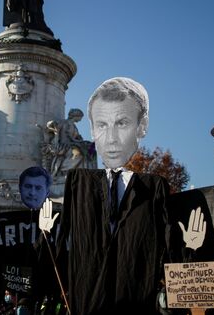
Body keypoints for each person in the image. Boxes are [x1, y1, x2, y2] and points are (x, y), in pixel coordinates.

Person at [42, 77, 170, 315]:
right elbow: (61, 249)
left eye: (122, 123)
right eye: (101, 124)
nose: (111, 137)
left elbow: (168, 245)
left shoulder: (155, 189)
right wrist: (48, 235)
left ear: (142, 127)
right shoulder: (77, 185)